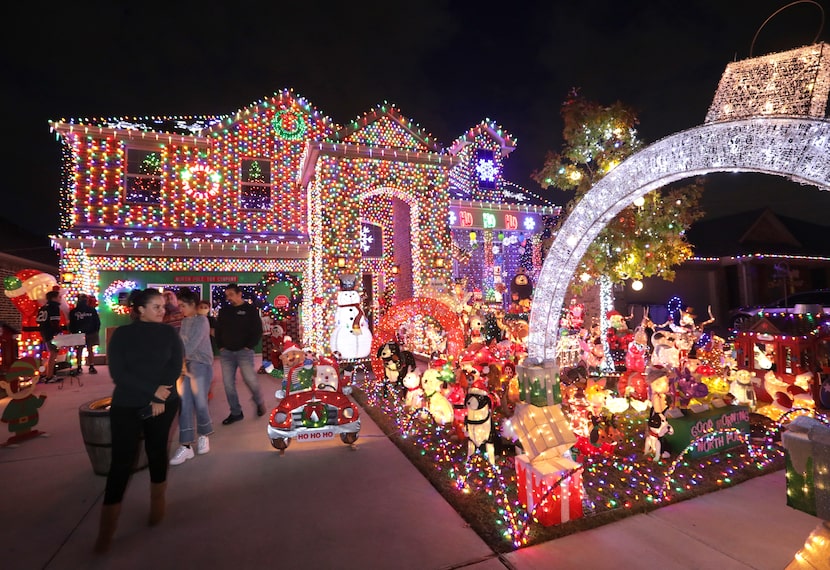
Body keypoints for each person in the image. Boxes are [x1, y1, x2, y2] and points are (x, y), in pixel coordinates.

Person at [94, 288, 183, 554]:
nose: (162, 310)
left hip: (164, 403)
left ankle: (157, 504)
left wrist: (160, 397)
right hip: (127, 403)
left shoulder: (168, 333)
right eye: (155, 306)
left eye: (163, 306)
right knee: (122, 461)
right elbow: (119, 373)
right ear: (139, 309)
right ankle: (107, 528)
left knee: (157, 450)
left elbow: (174, 366)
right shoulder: (122, 335)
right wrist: (151, 391)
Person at [169, 288, 214, 465]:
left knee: (200, 403)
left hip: (201, 365)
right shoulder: (186, 321)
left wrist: (175, 360)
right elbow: (182, 344)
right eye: (179, 305)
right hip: (185, 365)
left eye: (183, 305)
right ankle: (186, 445)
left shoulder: (202, 321)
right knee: (185, 403)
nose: (180, 309)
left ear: (193, 305)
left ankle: (203, 435)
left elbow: (191, 345)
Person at [215, 284, 265, 424]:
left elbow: (257, 329)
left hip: (244, 352)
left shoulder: (250, 309)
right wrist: (221, 346)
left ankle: (259, 402)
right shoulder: (224, 311)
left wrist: (249, 346)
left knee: (250, 380)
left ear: (239, 294)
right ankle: (236, 413)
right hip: (226, 354)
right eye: (227, 295)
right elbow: (218, 330)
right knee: (228, 384)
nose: (228, 298)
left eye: (231, 294)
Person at [68, 293, 101, 374]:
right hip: (91, 332)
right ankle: (91, 366)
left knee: (79, 350)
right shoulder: (92, 310)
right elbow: (97, 322)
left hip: (78, 333)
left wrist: (73, 332)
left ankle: (79, 367)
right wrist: (95, 330)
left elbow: (71, 323)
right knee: (90, 350)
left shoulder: (73, 311)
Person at [36, 290, 64, 382]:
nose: (60, 299)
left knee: (51, 353)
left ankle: (45, 373)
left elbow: (38, 320)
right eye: (59, 297)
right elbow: (54, 322)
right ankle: (50, 376)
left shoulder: (43, 307)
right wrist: (58, 331)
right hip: (51, 333)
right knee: (53, 353)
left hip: (44, 332)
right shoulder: (54, 307)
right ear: (53, 298)